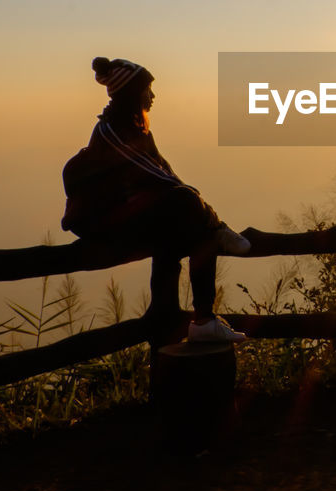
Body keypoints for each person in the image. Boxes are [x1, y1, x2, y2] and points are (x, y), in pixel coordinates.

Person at [61, 56, 250, 342]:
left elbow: (165, 171)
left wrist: (199, 209)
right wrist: (205, 211)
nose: (153, 96)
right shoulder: (110, 132)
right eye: (147, 90)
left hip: (128, 216)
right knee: (188, 205)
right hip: (108, 225)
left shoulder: (135, 129)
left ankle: (204, 319)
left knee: (194, 219)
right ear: (131, 94)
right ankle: (217, 237)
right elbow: (159, 177)